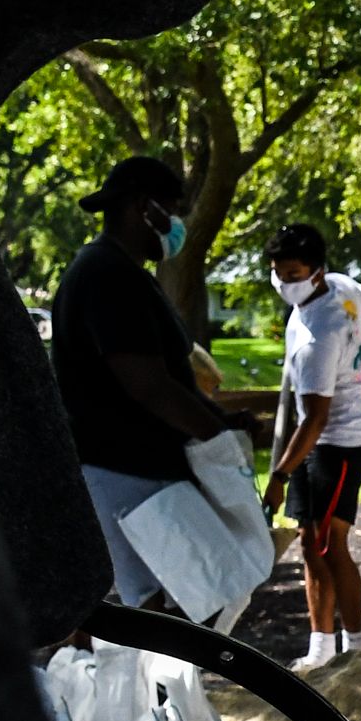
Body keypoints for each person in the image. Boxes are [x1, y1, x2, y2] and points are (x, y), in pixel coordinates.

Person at [47, 156, 224, 608]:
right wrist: (216, 437)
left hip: (144, 470)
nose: (177, 223)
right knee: (146, 610)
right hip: (121, 473)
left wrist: (224, 418)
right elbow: (147, 384)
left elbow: (173, 373)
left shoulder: (127, 273)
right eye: (171, 208)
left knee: (173, 605)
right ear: (143, 208)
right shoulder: (104, 275)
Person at [259, 221, 361, 670]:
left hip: (342, 442)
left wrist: (279, 476)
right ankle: (320, 647)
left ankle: (357, 647)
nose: (284, 283)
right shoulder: (341, 288)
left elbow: (315, 418)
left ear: (316, 272)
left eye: (293, 274)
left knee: (330, 544)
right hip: (316, 440)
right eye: (278, 273)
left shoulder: (319, 336)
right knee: (310, 544)